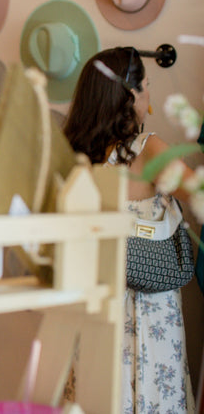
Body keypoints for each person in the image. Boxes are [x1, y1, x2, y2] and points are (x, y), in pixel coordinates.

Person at [63, 46, 196, 412]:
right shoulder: (147, 150)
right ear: (130, 94)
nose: (149, 94)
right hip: (149, 312)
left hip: (91, 312)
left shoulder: (75, 161)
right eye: (147, 85)